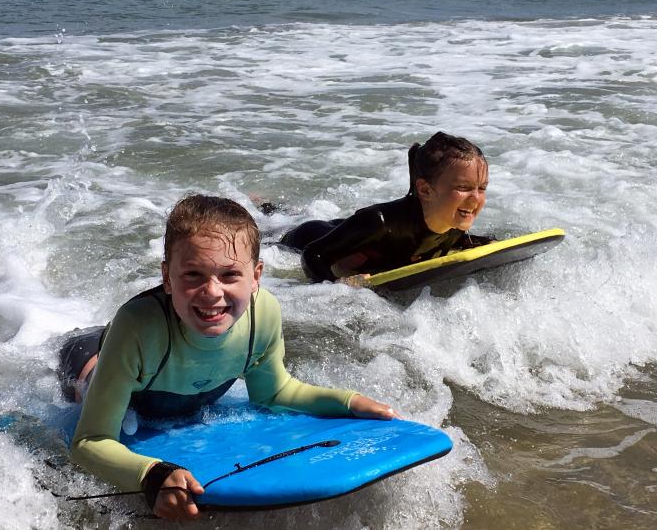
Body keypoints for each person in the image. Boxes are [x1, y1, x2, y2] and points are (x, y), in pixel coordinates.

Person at [58, 194, 396, 521]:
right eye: (193, 275)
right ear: (166, 277)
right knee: (80, 387)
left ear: (256, 277)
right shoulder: (135, 327)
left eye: (230, 275)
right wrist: (151, 474)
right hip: (88, 356)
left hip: (142, 356)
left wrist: (349, 402)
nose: (212, 292)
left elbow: (275, 393)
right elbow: (90, 440)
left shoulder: (262, 314)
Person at [280, 132, 492, 284]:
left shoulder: (454, 225)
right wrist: (336, 285)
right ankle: (272, 209)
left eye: (482, 188)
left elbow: (461, 243)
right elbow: (312, 255)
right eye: (464, 188)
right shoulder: (379, 222)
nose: (475, 198)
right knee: (272, 226)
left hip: (350, 233)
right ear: (425, 190)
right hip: (303, 239)